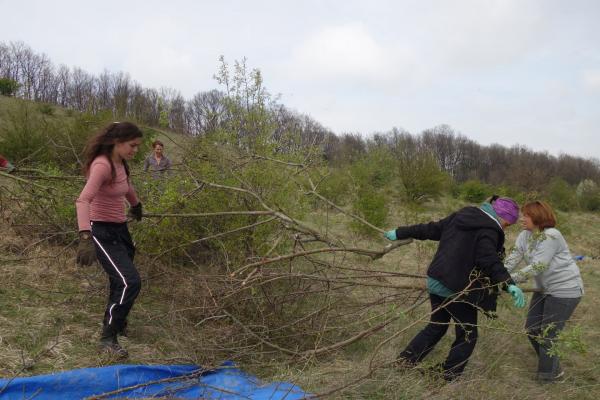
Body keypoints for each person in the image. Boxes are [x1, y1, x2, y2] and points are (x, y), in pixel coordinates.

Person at [384, 196, 526, 381]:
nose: (506, 227)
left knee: (437, 326)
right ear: (505, 219)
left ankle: (405, 361)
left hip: (436, 280)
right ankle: (447, 376)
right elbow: (488, 259)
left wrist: (400, 232)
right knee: (468, 335)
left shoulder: (462, 215)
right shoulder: (489, 230)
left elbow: (431, 229)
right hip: (456, 288)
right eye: (508, 224)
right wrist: (509, 284)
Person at [75, 121, 144, 358]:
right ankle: (108, 338)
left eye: (137, 146)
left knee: (120, 281)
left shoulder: (120, 163)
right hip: (102, 232)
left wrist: (136, 205)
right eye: (132, 145)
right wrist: (85, 236)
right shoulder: (102, 165)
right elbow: (83, 200)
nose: (135, 150)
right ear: (117, 142)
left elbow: (126, 187)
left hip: (120, 230)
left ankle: (117, 321)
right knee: (130, 282)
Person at [504, 200, 584, 383]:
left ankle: (548, 377)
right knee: (532, 329)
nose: (522, 219)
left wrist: (508, 280)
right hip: (544, 289)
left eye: (526, 215)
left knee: (549, 334)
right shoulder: (524, 236)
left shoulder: (551, 235)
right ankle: (553, 365)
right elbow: (513, 258)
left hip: (565, 290)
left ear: (538, 217)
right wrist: (497, 273)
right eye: (522, 215)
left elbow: (537, 267)